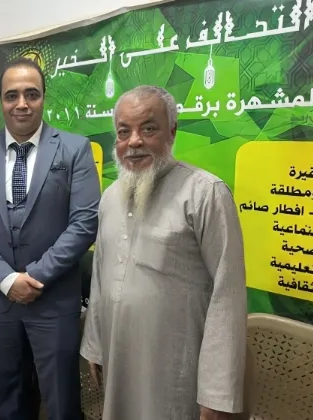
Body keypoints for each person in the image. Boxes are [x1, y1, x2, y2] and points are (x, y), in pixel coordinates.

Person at [80, 85, 247, 420]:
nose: (134, 141)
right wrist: (95, 345)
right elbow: (101, 276)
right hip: (119, 358)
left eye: (148, 128)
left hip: (176, 371)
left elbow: (227, 296)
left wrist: (217, 394)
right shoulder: (110, 197)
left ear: (172, 131)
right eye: (123, 132)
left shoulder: (205, 194)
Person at [0, 58, 100, 420]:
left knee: (62, 402)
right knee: (9, 398)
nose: (22, 104)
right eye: (12, 95)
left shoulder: (74, 148)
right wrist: (6, 280)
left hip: (53, 299)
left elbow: (84, 223)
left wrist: (34, 276)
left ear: (44, 97)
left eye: (31, 94)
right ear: (1, 100)